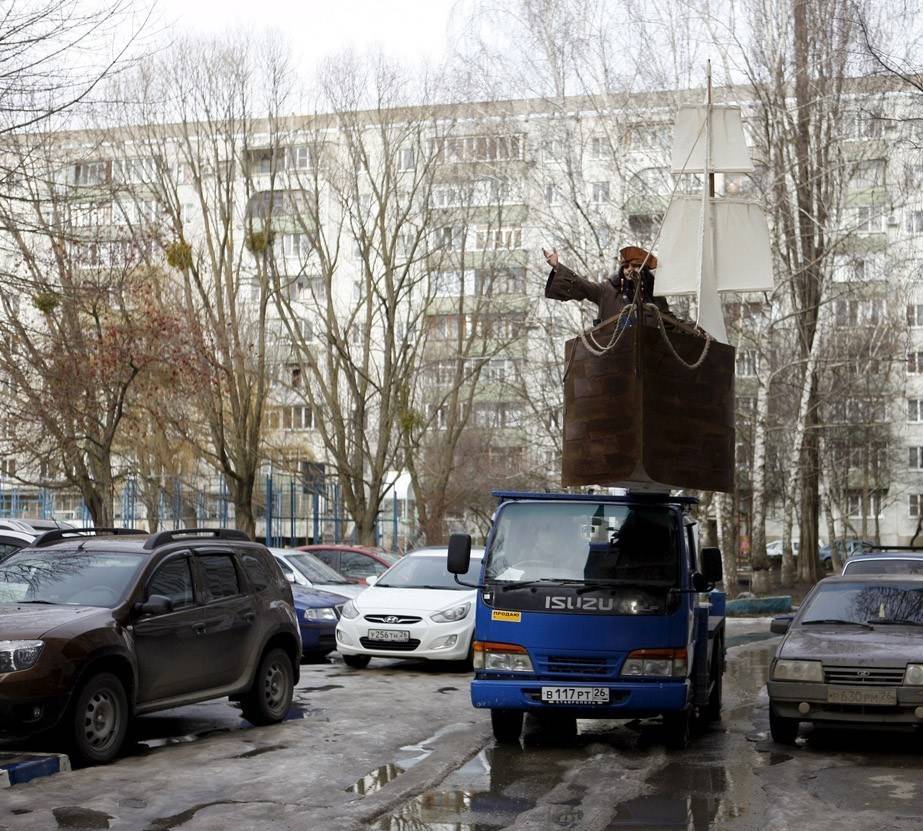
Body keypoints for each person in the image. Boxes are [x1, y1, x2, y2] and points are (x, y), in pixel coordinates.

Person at [542, 246, 667, 325]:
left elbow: (668, 323)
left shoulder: (655, 296)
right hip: (612, 357)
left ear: (643, 269)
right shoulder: (607, 290)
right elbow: (582, 285)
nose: (629, 270)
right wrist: (557, 266)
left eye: (635, 266)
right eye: (625, 267)